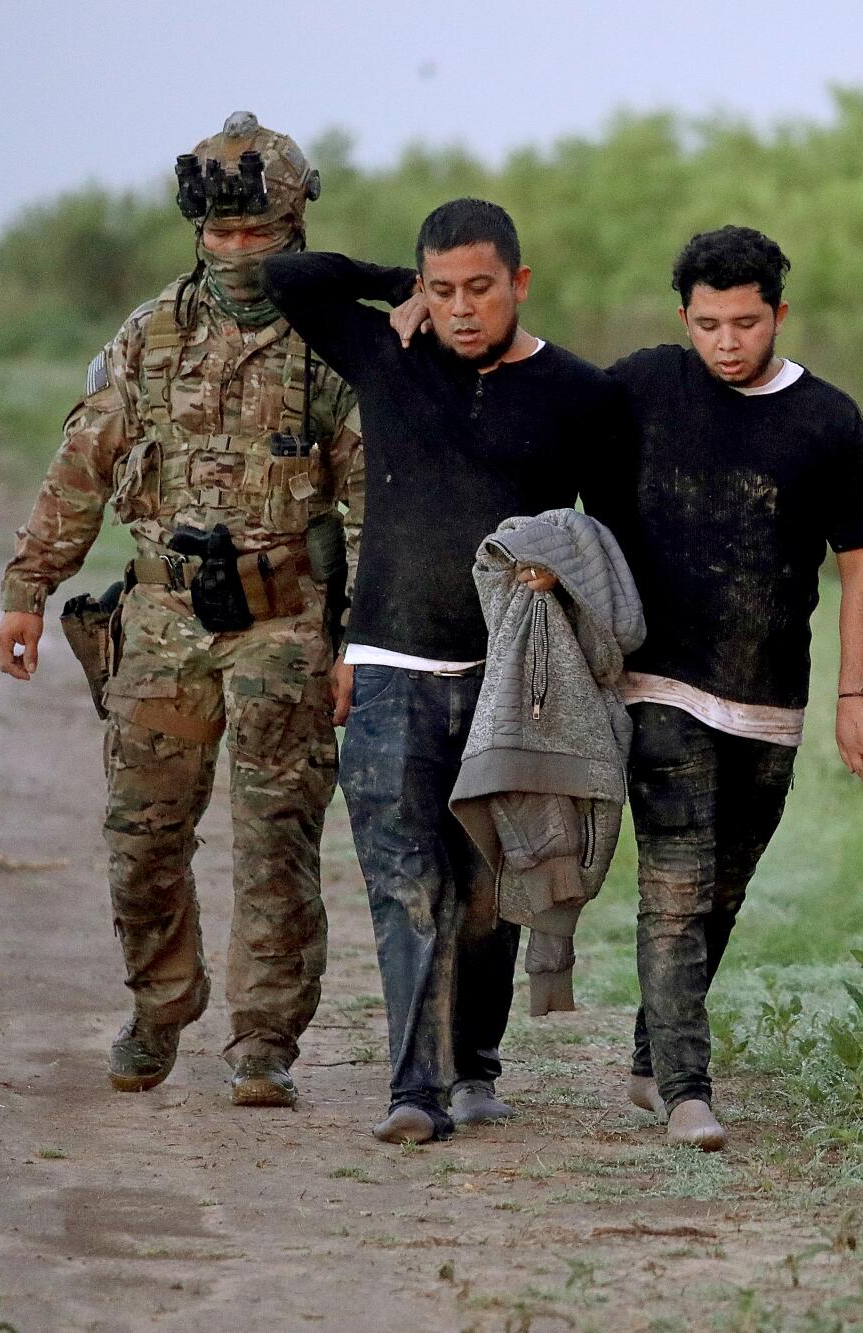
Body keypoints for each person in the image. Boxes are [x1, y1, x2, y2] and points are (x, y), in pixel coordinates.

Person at [0, 112, 363, 1109]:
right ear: (197, 232)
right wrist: (29, 588)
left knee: (274, 838)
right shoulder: (150, 336)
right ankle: (160, 1003)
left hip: (286, 623)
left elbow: (372, 502)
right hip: (160, 625)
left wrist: (358, 645)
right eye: (221, 236)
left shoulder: (335, 347)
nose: (237, 254)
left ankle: (263, 1040)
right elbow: (81, 467)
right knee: (142, 834)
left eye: (258, 236)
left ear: (293, 227)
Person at [264, 199, 634, 1145]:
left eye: (481, 287)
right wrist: (397, 289)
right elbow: (290, 277)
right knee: (407, 882)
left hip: (515, 675)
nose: (463, 309)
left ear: (521, 282)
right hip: (391, 665)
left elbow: (612, 535)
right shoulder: (390, 357)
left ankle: (474, 1065)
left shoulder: (580, 395)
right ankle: (414, 1090)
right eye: (444, 290)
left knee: (487, 888)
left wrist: (570, 568)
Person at [606, 226, 863, 1149]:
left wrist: (858, 695)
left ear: (778, 313)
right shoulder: (643, 387)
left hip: (771, 697)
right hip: (655, 683)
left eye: (744, 322)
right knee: (677, 883)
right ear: (682, 317)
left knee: (722, 892)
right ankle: (688, 1088)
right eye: (706, 324)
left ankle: (652, 1058)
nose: (725, 342)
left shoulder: (828, 420)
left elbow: (861, 567)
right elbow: (539, 419)